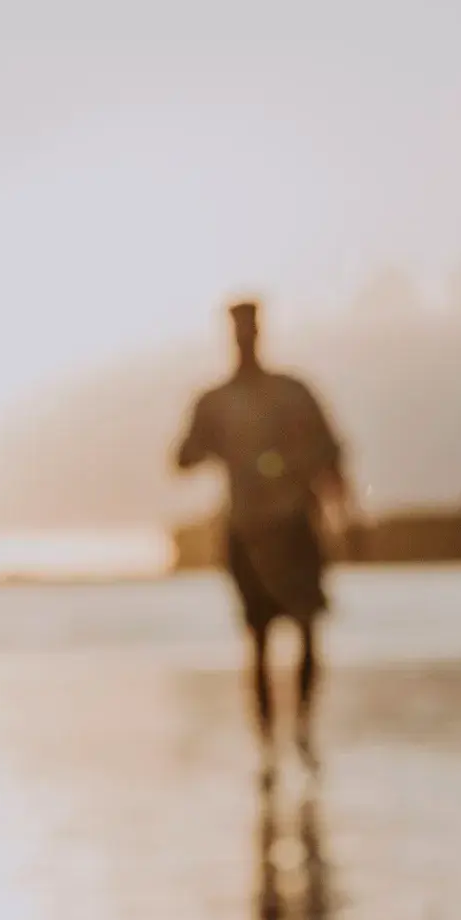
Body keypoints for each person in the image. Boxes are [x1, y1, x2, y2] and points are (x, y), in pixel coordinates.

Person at [176, 300, 351, 753]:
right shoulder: (215, 401)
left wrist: (347, 514)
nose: (245, 337)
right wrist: (211, 446)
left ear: (260, 331)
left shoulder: (293, 392)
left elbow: (332, 452)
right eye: (239, 329)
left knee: (307, 629)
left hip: (294, 525)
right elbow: (182, 458)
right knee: (257, 640)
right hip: (247, 530)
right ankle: (270, 744)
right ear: (231, 334)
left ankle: (304, 729)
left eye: (250, 328)